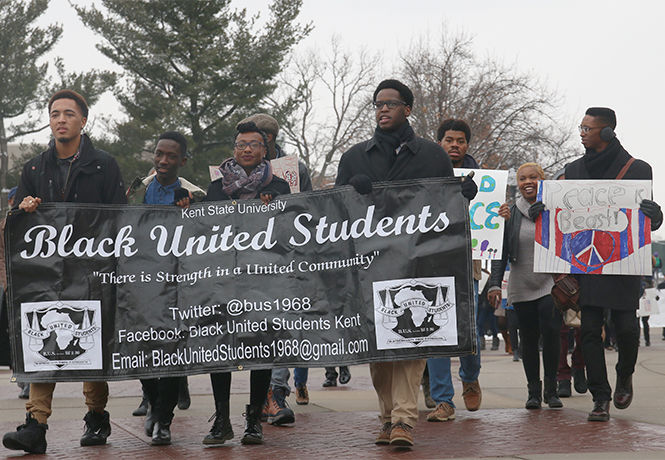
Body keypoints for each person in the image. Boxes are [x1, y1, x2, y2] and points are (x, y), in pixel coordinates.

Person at [335, 79, 477, 447]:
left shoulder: (432, 155)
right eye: (377, 104)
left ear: (407, 110)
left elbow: (447, 214)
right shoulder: (355, 158)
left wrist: (463, 196)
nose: (382, 109)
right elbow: (333, 212)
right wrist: (351, 190)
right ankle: (386, 417)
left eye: (390, 104)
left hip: (418, 266)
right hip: (370, 267)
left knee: (412, 344)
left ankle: (403, 421)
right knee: (380, 352)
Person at [2, 89, 126, 454]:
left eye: (68, 114)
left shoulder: (104, 164)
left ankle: (96, 417)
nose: (60, 120)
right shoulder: (35, 168)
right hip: (45, 274)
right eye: (54, 113)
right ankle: (35, 425)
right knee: (42, 343)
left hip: (92, 271)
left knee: (88, 345)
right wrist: (23, 208)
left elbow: (119, 217)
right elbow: (16, 221)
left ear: (83, 120)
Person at [530, 107, 663, 422]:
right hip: (587, 264)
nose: (581, 132)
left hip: (623, 263)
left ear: (607, 132)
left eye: (587, 128)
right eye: (581, 127)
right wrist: (541, 213)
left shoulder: (637, 169)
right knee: (588, 332)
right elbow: (561, 215)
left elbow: (645, 222)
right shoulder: (573, 170)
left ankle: (625, 375)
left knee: (628, 329)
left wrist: (655, 216)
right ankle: (600, 397)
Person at [203, 121, 290, 446]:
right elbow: (202, 232)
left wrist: (276, 209)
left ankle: (254, 420)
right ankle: (221, 419)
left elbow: (291, 231)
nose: (247, 149)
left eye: (254, 144)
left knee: (262, 348)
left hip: (263, 281)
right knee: (219, 348)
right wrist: (185, 205)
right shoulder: (215, 188)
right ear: (234, 150)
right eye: (241, 144)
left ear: (265, 150)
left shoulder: (279, 187)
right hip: (223, 280)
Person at [126, 131, 205, 445]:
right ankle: (151, 401)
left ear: (182, 160)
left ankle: (164, 420)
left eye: (171, 156)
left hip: (177, 287)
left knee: (172, 354)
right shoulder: (135, 191)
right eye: (159, 153)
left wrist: (189, 217)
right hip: (140, 283)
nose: (163, 160)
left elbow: (206, 240)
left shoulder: (195, 196)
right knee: (143, 350)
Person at [237, 113, 312, 426]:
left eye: (259, 139)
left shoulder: (294, 171)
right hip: (248, 261)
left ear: (268, 141)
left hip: (283, 259)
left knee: (280, 327)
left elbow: (308, 209)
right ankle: (262, 396)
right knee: (257, 332)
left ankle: (275, 393)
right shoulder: (232, 171)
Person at [424, 119, 494, 422]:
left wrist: (500, 212)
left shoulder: (484, 182)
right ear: (439, 143)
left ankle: (470, 375)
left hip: (467, 263)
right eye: (449, 140)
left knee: (469, 330)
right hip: (431, 262)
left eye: (461, 140)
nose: (455, 145)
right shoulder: (423, 175)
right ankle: (443, 400)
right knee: (435, 330)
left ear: (467, 144)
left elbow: (493, 222)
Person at [488, 162, 563, 411]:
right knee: (528, 338)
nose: (527, 182)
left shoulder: (554, 208)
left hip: (549, 282)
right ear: (517, 183)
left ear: (542, 181)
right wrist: (494, 284)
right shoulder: (509, 212)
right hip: (521, 283)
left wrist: (548, 215)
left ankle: (552, 390)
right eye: (522, 179)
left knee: (551, 332)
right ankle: (533, 391)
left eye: (533, 177)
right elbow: (500, 252)